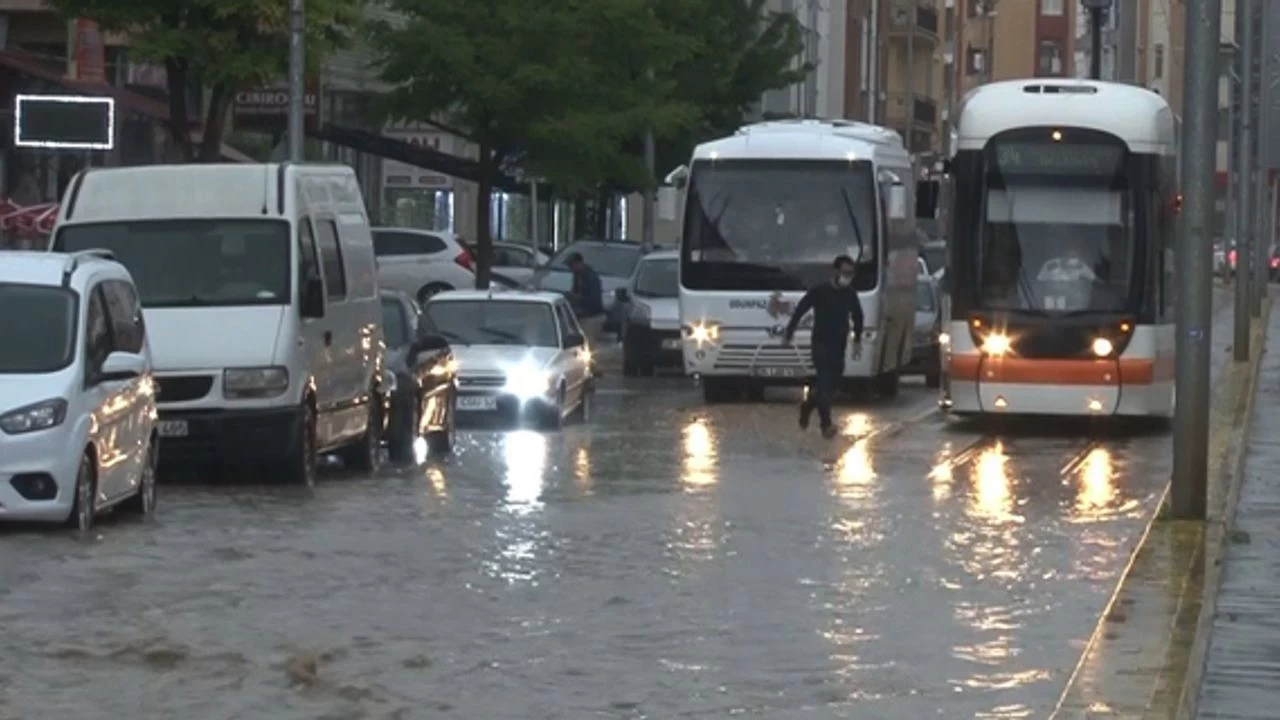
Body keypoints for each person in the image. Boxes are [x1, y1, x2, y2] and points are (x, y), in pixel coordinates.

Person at [782, 255, 865, 439]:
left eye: (851, 274)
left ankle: (807, 406)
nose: (848, 277)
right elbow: (801, 309)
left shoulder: (850, 293)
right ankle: (826, 425)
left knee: (832, 386)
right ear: (836, 272)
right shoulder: (820, 291)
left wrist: (857, 339)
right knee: (825, 381)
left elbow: (858, 316)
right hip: (821, 344)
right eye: (845, 273)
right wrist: (789, 332)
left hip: (839, 345)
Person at [567, 252, 605, 345]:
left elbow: (594, 300)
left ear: (579, 263)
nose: (571, 269)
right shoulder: (577, 276)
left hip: (592, 317)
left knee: (588, 344)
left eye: (572, 265)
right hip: (582, 316)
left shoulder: (591, 278)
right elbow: (575, 291)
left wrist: (578, 298)